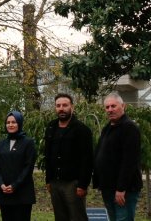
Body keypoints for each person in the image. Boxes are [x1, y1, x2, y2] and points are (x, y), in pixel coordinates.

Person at [43, 93, 93, 221]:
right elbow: (47, 155)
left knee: (77, 217)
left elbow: (87, 159)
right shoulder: (51, 127)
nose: (61, 108)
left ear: (72, 107)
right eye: (58, 105)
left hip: (73, 184)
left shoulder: (82, 130)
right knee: (60, 217)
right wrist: (48, 180)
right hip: (55, 182)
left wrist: (83, 185)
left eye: (65, 105)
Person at [93, 93, 142, 221]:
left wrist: (121, 189)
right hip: (108, 188)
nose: (110, 109)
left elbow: (129, 161)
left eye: (113, 106)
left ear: (123, 106)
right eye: (107, 107)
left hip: (123, 191)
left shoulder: (129, 128)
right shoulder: (107, 128)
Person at [0, 111, 36, 221]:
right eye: (8, 122)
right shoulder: (0, 144)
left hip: (22, 193)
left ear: (20, 123)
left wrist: (15, 185)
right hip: (4, 192)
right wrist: (1, 184)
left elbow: (28, 167)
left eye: (14, 122)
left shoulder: (28, 143)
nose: (10, 125)